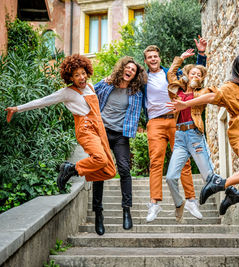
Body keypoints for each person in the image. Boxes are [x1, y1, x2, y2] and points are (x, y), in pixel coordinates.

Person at [5, 54, 116, 236]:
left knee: (109, 170)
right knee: (100, 158)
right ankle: (72, 169)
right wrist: (17, 108)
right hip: (86, 129)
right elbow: (42, 101)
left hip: (99, 130)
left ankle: (72, 171)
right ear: (70, 77)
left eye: (83, 73)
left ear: (87, 72)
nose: (81, 78)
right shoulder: (67, 92)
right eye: (76, 75)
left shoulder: (90, 87)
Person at [168, 37, 239, 215]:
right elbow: (211, 96)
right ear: (238, 67)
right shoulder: (230, 87)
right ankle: (221, 183)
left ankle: (237, 196)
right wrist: (186, 105)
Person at [143, 36, 207, 222]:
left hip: (176, 120)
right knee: (156, 162)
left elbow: (197, 74)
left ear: (160, 58)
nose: (153, 59)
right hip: (155, 122)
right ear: (146, 61)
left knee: (184, 162)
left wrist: (201, 54)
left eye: (155, 56)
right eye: (149, 57)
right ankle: (154, 204)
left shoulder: (173, 74)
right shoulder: (143, 79)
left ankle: (191, 200)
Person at [94, 56, 147, 230]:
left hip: (121, 135)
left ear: (135, 76)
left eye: (133, 70)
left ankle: (126, 210)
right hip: (102, 132)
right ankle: (98, 213)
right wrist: (103, 80)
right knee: (100, 171)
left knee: (124, 169)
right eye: (128, 68)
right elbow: (90, 93)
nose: (130, 71)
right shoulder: (108, 84)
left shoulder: (136, 92)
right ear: (122, 68)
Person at [165, 48, 214, 222]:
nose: (195, 75)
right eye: (192, 72)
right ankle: (180, 203)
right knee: (170, 177)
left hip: (194, 135)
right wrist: (181, 58)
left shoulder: (202, 92)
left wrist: (185, 104)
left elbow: (211, 96)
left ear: (201, 78)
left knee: (209, 176)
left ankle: (198, 201)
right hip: (179, 137)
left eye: (199, 74)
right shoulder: (177, 90)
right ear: (186, 74)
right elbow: (171, 74)